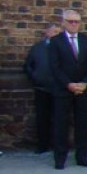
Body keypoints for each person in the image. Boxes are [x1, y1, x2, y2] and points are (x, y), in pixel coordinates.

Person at [49, 9, 87, 169]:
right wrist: (68, 84)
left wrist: (84, 83)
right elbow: (54, 67)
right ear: (64, 23)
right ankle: (60, 157)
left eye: (77, 21)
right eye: (71, 21)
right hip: (63, 90)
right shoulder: (56, 42)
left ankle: (82, 156)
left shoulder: (86, 40)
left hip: (82, 90)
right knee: (61, 124)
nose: (74, 24)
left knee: (82, 124)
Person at [23, 23, 60, 153]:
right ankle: (42, 145)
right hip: (41, 88)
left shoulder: (62, 48)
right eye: (54, 31)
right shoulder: (37, 48)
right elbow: (28, 66)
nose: (57, 34)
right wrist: (35, 77)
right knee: (42, 118)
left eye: (58, 32)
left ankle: (57, 145)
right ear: (47, 32)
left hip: (59, 88)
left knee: (59, 118)